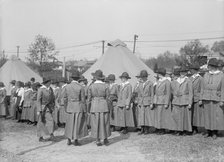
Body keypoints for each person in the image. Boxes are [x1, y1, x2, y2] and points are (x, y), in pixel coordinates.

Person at [199, 58, 224, 139]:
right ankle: (208, 131)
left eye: (209, 66)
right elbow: (202, 87)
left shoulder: (221, 75)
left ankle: (214, 132)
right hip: (206, 98)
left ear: (213, 66)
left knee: (215, 116)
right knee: (207, 115)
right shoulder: (206, 75)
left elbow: (223, 88)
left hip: (216, 98)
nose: (208, 67)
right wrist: (200, 98)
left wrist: (222, 100)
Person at [87, 70, 111, 146]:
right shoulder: (106, 86)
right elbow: (108, 98)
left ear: (95, 77)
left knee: (95, 123)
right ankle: (105, 138)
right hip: (104, 105)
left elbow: (89, 99)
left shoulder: (91, 86)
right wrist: (109, 107)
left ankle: (97, 139)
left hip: (94, 106)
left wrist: (88, 108)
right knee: (105, 122)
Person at [64, 72, 88, 146]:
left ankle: (68, 139)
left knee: (69, 123)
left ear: (72, 78)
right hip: (78, 106)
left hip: (70, 106)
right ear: (78, 79)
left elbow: (65, 98)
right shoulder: (81, 87)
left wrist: (66, 107)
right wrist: (85, 110)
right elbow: (83, 100)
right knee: (77, 124)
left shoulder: (67, 86)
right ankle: (76, 140)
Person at [171, 67, 193, 136]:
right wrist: (175, 95)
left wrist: (190, 103)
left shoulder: (188, 80)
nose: (182, 74)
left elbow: (191, 92)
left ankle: (185, 130)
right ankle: (178, 130)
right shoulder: (176, 81)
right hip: (177, 100)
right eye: (181, 72)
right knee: (177, 116)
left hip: (185, 100)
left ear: (186, 73)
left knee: (185, 116)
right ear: (179, 73)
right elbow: (172, 90)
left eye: (184, 72)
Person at [153, 68, 174, 134]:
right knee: (158, 116)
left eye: (158, 73)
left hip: (163, 100)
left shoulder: (167, 82)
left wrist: (166, 103)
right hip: (158, 101)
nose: (158, 75)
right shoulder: (159, 81)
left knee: (163, 116)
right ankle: (159, 128)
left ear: (160, 74)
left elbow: (168, 93)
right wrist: (155, 100)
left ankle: (163, 129)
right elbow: (156, 92)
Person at [135, 70, 154, 135]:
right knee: (141, 116)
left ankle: (146, 129)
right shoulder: (140, 84)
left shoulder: (150, 83)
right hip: (141, 101)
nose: (143, 78)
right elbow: (138, 93)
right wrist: (138, 101)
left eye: (144, 77)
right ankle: (142, 129)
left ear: (146, 77)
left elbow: (152, 94)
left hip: (147, 101)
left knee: (147, 115)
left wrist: (151, 103)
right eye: (142, 77)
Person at [189, 64, 204, 134]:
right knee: (191, 113)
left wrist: (201, 99)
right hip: (190, 98)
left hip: (197, 97)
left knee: (196, 114)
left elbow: (202, 89)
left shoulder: (200, 78)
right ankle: (191, 127)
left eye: (192, 69)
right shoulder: (190, 78)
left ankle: (195, 128)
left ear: (195, 70)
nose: (191, 71)